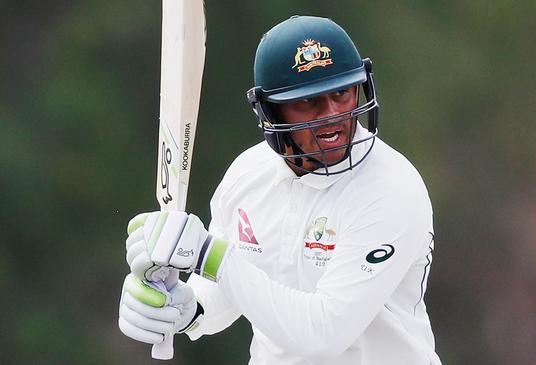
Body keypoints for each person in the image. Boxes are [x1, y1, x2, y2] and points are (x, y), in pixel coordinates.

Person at [118, 15, 442, 365]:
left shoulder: (391, 190)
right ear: (269, 110)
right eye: (307, 101)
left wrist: (208, 255)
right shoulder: (247, 175)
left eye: (341, 93)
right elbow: (232, 289)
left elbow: (322, 334)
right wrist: (189, 307)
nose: (331, 114)